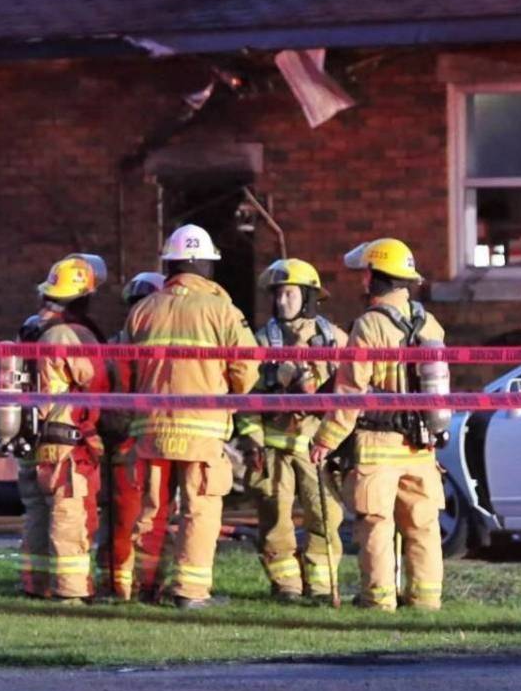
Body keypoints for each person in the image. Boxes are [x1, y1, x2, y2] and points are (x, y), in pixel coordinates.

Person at [124, 226, 258, 608]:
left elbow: (124, 374)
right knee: (199, 509)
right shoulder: (222, 310)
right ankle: (190, 591)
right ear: (204, 264)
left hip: (151, 429)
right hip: (202, 430)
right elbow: (246, 373)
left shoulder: (143, 310)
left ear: (171, 263)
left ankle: (144, 587)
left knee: (152, 510)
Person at [311, 238, 447, 611]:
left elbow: (351, 392)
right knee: (423, 526)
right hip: (421, 445)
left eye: (364, 274)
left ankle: (378, 600)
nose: (361, 281)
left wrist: (325, 439)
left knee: (376, 525)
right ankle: (425, 601)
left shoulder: (369, 326)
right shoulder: (430, 323)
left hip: (377, 445)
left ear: (373, 276)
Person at [235, 258, 346, 602]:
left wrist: (337, 441)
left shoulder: (335, 341)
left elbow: (350, 395)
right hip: (272, 448)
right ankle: (286, 586)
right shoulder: (260, 342)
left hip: (317, 448)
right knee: (275, 519)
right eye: (278, 295)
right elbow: (245, 398)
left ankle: (323, 585)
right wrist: (252, 442)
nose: (282, 302)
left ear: (310, 297)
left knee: (325, 516)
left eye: (289, 294)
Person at [26, 255, 110, 603]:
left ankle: (36, 584)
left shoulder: (33, 328)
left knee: (40, 514)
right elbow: (99, 383)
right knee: (70, 515)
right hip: (69, 442)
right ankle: (71, 591)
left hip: (40, 437)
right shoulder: (69, 334)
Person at [97, 271, 165, 602]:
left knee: (122, 518)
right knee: (143, 518)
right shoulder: (160, 353)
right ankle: (139, 585)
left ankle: (119, 583)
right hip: (140, 443)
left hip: (121, 442)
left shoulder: (114, 347)